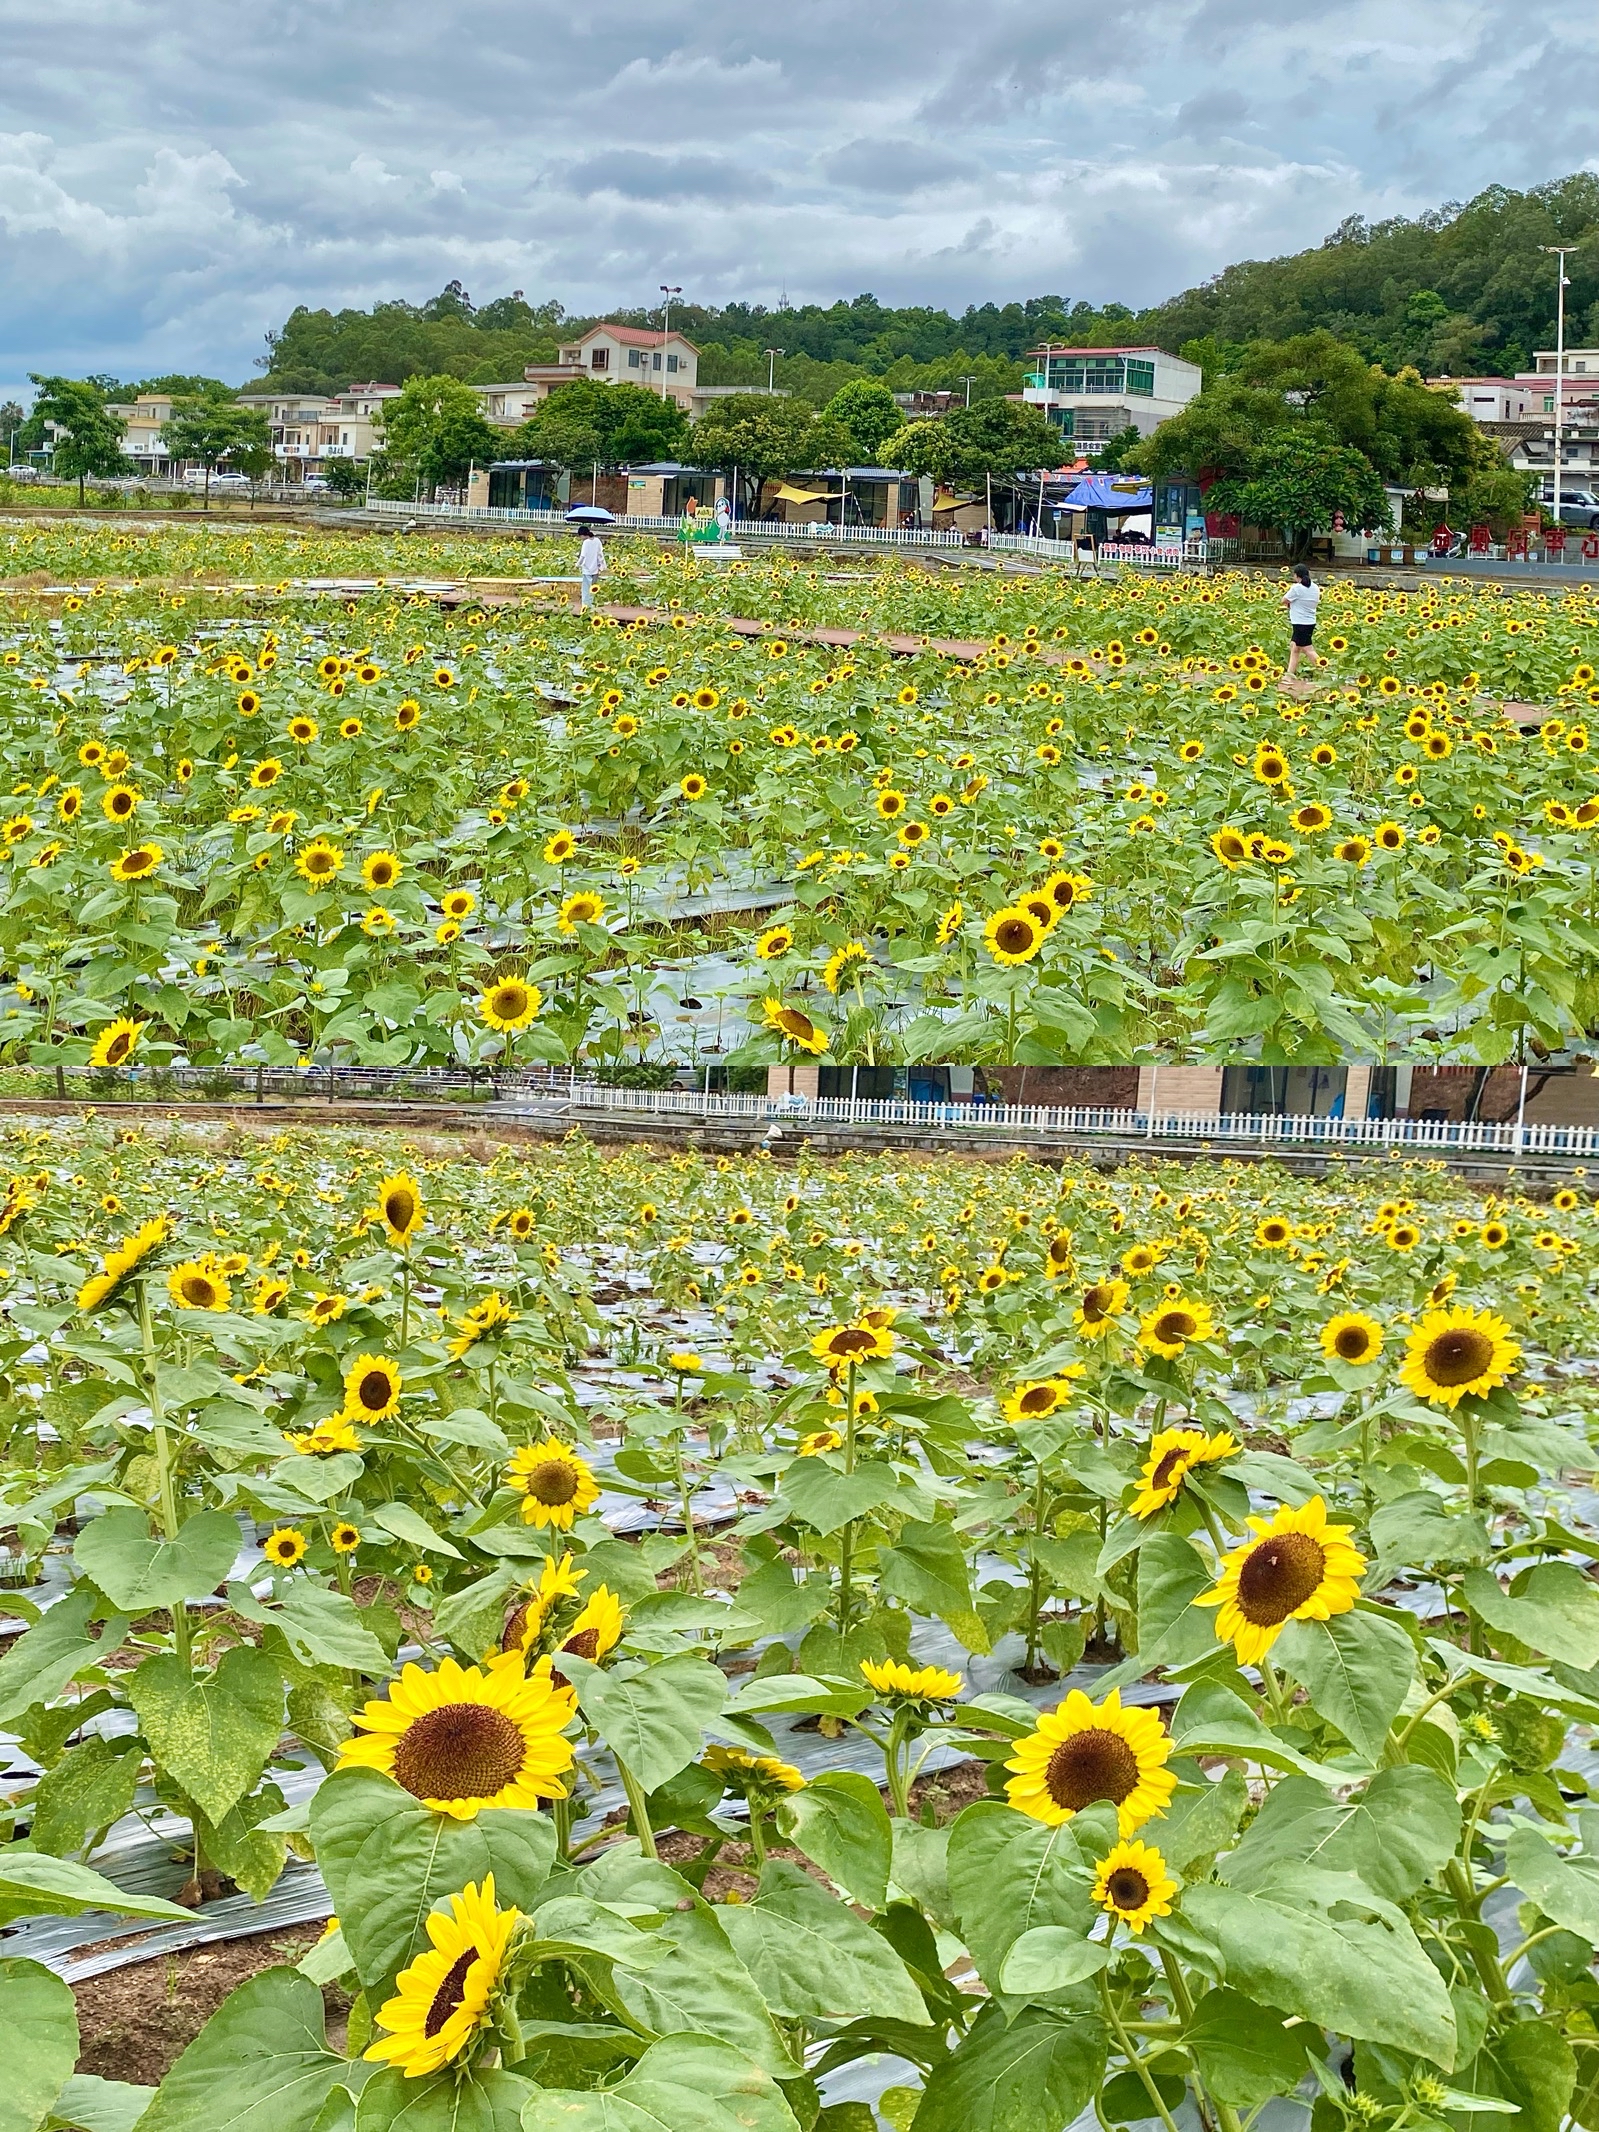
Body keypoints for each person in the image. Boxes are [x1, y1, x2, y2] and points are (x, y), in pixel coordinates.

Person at [1283, 564, 1321, 679]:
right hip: (1309, 622)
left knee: (1308, 649)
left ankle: (1325, 670)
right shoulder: (1315, 587)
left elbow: (1283, 600)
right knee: (1294, 647)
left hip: (1300, 623)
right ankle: (1289, 676)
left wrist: (1289, 604)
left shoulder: (1297, 588)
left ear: (1296, 575)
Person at [578, 529, 605, 608]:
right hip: (595, 569)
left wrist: (577, 564)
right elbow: (600, 554)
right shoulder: (597, 541)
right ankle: (592, 607)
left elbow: (583, 556)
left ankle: (585, 608)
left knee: (586, 590)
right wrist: (602, 566)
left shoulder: (586, 542)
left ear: (582, 535)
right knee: (593, 589)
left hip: (587, 569)